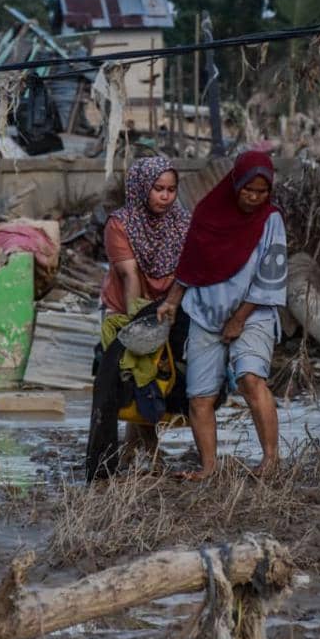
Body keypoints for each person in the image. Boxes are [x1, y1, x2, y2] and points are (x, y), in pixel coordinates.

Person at [158, 151, 287, 480]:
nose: (254, 197)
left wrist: (239, 319)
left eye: (262, 191)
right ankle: (208, 468)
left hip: (252, 312)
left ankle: (270, 460)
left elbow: (269, 279)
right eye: (248, 189)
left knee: (250, 379)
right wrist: (172, 300)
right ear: (235, 184)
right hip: (205, 312)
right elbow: (191, 263)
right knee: (199, 397)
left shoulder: (270, 220)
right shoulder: (207, 213)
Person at [99, 156, 191, 462]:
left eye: (171, 189)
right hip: (127, 305)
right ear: (141, 188)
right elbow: (130, 275)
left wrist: (171, 305)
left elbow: (188, 270)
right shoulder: (120, 223)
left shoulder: (182, 222)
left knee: (161, 377)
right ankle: (148, 451)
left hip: (171, 304)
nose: (165, 196)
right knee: (137, 373)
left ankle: (131, 450)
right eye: (158, 189)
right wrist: (136, 323)